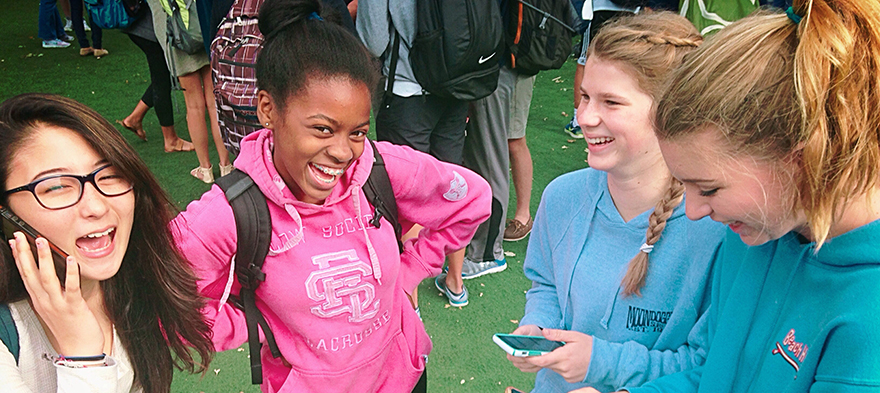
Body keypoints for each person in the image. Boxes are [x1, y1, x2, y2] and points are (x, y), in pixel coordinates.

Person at [169, 0, 492, 391]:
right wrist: (254, 326)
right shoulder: (232, 211)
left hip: (402, 377)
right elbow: (160, 294)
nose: (343, 152)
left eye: (356, 131)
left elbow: (472, 199)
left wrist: (410, 271)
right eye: (323, 129)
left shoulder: (378, 170)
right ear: (268, 110)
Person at [608, 1, 880, 392]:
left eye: (710, 188)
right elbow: (714, 373)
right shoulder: (754, 233)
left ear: (801, 160)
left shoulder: (869, 313)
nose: (695, 210)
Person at [507, 12, 725, 393]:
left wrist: (599, 362)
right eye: (586, 96)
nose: (586, 116)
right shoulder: (562, 197)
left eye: (611, 102)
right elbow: (545, 283)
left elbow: (705, 364)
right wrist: (538, 326)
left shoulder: (716, 226)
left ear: (670, 112)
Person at [0, 93, 214, 392]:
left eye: (111, 174)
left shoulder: (133, 281)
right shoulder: (8, 335)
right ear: (5, 213)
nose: (97, 207)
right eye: (57, 186)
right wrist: (83, 358)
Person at [148, 0, 232, 183]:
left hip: (176, 37)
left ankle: (205, 169)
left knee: (193, 106)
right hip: (203, 28)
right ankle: (226, 165)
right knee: (214, 101)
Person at [117, 1, 195, 152]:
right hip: (147, 26)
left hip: (139, 22)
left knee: (167, 73)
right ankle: (170, 140)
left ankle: (135, 117)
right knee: (163, 77)